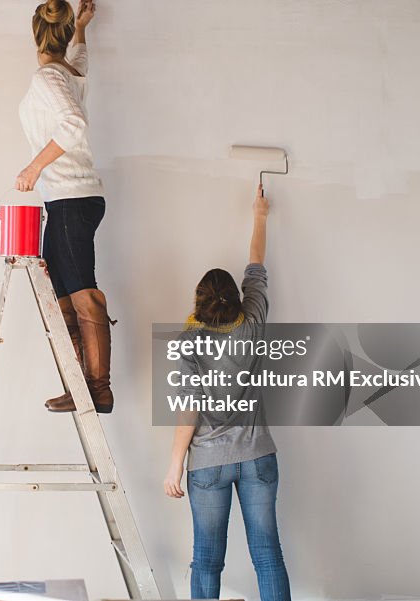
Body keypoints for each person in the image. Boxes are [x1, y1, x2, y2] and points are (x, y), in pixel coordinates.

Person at [163, 185, 291, 601]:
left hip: (209, 465)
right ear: (235, 298)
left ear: (198, 302)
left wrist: (174, 466)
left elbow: (189, 412)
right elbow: (256, 263)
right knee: (268, 556)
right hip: (258, 457)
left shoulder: (188, 341)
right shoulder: (252, 318)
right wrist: (259, 213)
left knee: (206, 560)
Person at [16, 0, 114, 414]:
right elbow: (81, 63)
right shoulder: (69, 73)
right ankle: (81, 385)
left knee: (82, 294)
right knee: (61, 294)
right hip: (68, 198)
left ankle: (98, 389)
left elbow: (74, 124)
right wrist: (82, 29)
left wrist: (34, 168)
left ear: (36, 35)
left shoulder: (49, 79)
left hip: (71, 196)